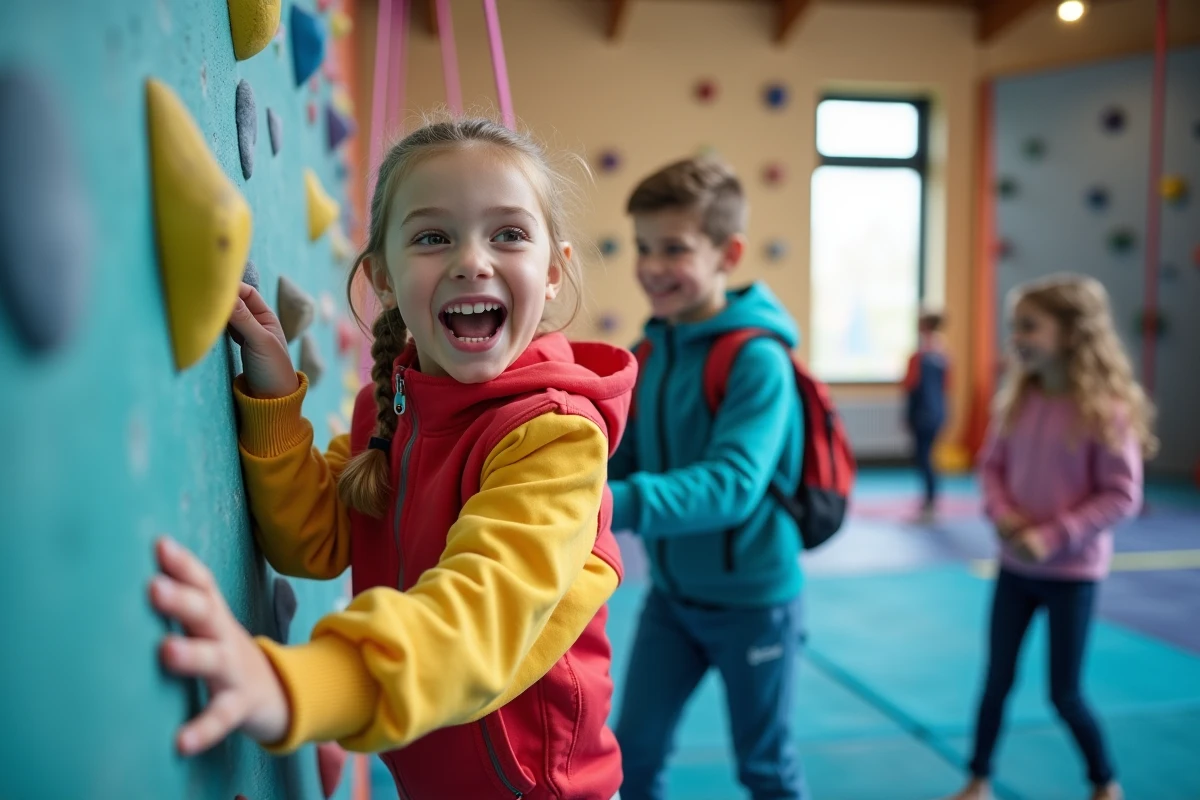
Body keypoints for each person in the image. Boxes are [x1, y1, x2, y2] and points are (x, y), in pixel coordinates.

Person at [147, 118, 635, 800]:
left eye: (508, 234)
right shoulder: (393, 407)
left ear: (552, 272)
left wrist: (295, 687)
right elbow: (314, 539)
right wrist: (274, 395)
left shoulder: (555, 439)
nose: (472, 261)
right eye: (433, 237)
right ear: (383, 276)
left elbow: (478, 620)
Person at [607, 156, 808, 800]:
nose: (651, 265)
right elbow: (621, 458)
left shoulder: (757, 359)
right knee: (630, 759)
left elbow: (732, 485)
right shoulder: (648, 354)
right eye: (643, 246)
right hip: (670, 599)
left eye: (674, 248)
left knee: (765, 768)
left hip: (755, 604)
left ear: (729, 253)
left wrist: (604, 504)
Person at [948, 274, 1156, 800]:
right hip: (1015, 570)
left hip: (1070, 576)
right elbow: (991, 467)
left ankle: (1104, 783)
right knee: (996, 680)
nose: (1016, 337)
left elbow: (1121, 495)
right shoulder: (1020, 400)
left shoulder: (1104, 411)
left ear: (1070, 333)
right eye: (1014, 326)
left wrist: (1053, 535)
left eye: (1029, 326)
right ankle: (977, 780)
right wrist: (1004, 517)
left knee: (1064, 693)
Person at [903, 309, 951, 521]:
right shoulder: (944, 355)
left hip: (922, 413)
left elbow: (910, 386)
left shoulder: (919, 356)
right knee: (929, 457)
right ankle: (930, 502)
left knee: (924, 459)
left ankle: (929, 505)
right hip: (938, 412)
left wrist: (908, 415)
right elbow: (947, 387)